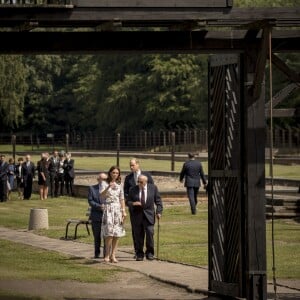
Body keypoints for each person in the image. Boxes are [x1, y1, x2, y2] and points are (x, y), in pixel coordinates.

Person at [127, 174, 163, 261]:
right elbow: (127, 201)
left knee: (150, 233)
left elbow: (158, 201)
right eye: (138, 181)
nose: (139, 183)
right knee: (138, 236)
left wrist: (159, 212)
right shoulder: (133, 189)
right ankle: (139, 254)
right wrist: (133, 203)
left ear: (146, 182)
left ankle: (150, 253)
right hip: (137, 216)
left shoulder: (153, 188)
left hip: (149, 215)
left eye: (141, 182)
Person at [124, 158, 154, 257]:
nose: (131, 167)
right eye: (130, 165)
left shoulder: (147, 175)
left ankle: (149, 252)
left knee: (149, 232)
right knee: (136, 232)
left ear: (138, 164)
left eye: (133, 165)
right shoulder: (128, 178)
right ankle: (138, 251)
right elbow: (125, 192)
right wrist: (131, 202)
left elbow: (152, 189)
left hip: (147, 210)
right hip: (135, 210)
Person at [101, 166, 126, 263]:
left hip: (117, 210)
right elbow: (102, 195)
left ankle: (113, 255)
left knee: (117, 233)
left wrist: (123, 210)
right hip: (109, 209)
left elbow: (122, 198)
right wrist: (108, 187)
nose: (115, 174)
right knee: (109, 233)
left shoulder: (120, 184)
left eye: (117, 173)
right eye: (113, 172)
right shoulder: (104, 183)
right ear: (110, 173)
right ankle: (107, 254)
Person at [88, 172, 107, 259]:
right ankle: (97, 253)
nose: (103, 181)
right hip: (96, 216)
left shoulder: (109, 189)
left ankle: (106, 254)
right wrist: (99, 206)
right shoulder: (92, 188)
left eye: (105, 179)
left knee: (106, 236)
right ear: (98, 179)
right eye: (101, 179)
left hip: (107, 216)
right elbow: (90, 201)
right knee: (97, 236)